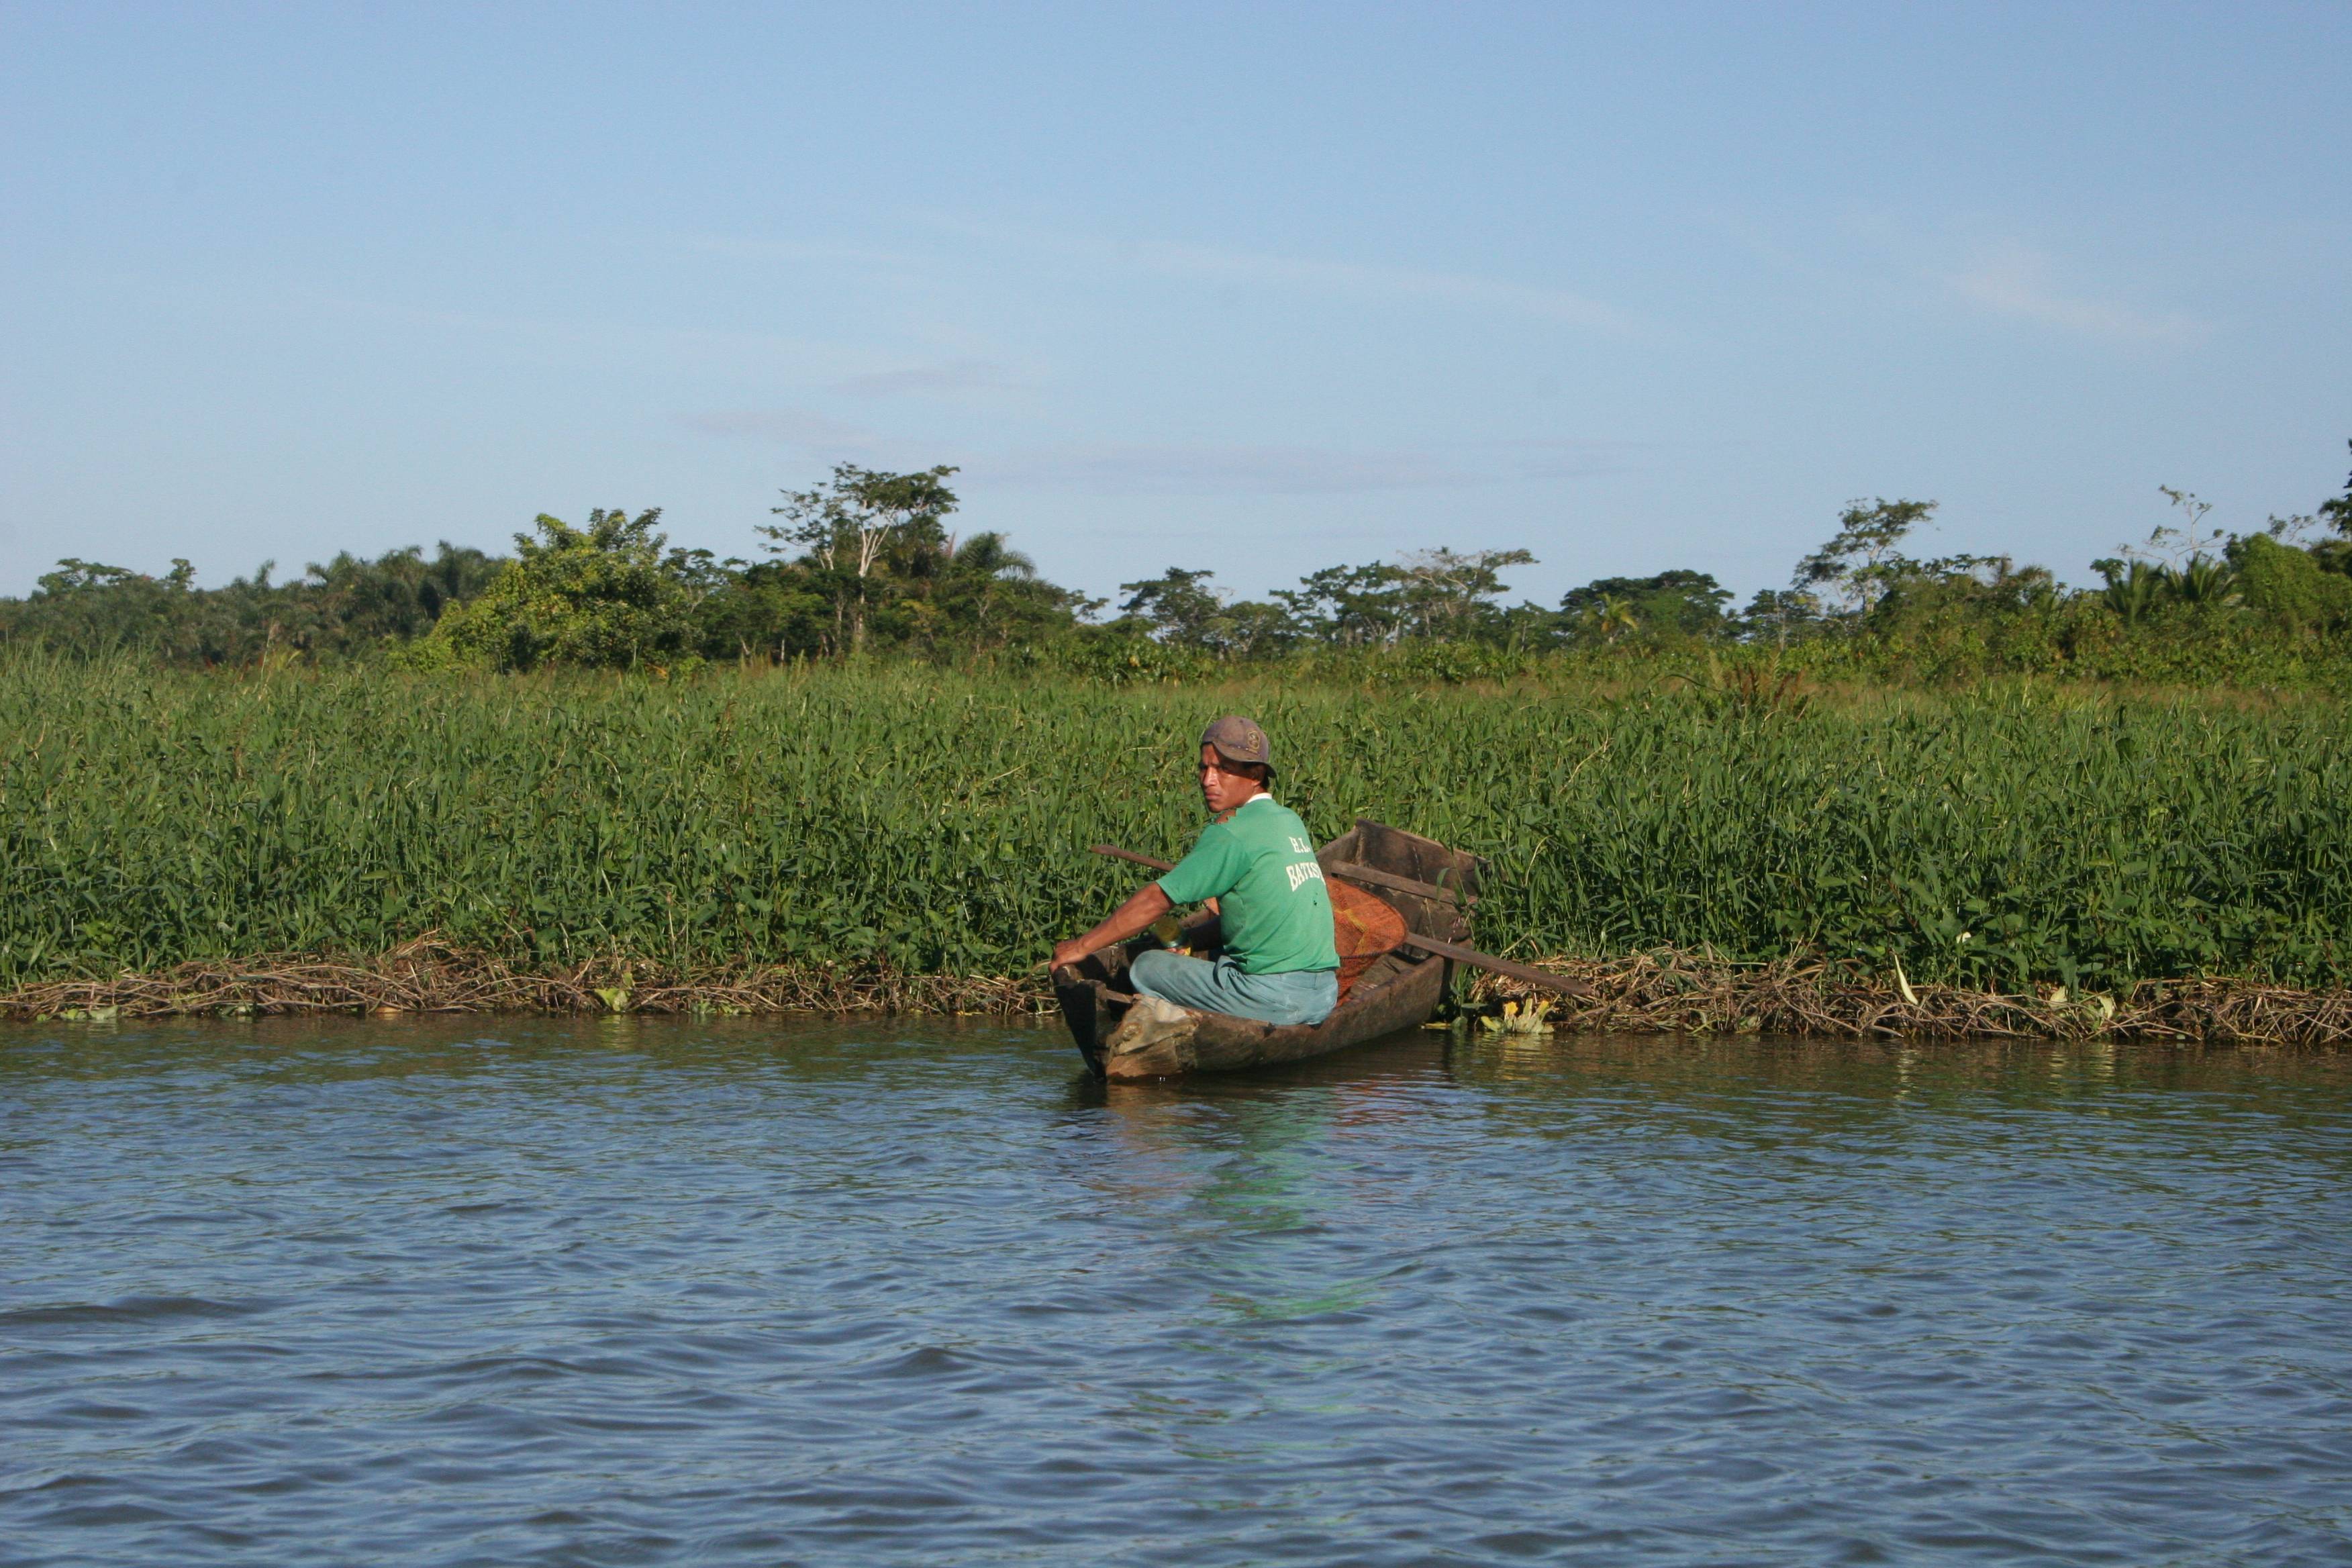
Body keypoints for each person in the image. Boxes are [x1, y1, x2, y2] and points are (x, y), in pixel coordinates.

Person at [1050, 716, 1340, 1026]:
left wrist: (1081, 947)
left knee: (1147, 966)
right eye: (1205, 768)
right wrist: (1188, 939)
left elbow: (1157, 900)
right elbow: (1253, 918)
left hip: (1275, 998)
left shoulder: (1232, 831)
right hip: (1322, 995)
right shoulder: (1288, 820)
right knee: (1216, 952)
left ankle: (1166, 1025)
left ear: (1255, 775)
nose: (1208, 780)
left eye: (1223, 769)